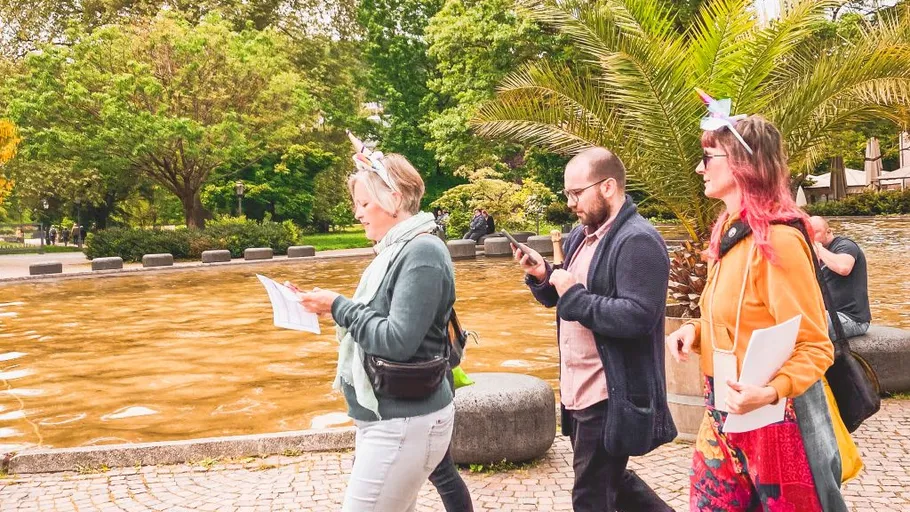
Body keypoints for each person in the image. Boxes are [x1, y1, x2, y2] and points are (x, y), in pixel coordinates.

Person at [665, 96, 846, 511]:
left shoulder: (778, 241)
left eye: (707, 157)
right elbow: (737, 317)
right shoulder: (728, 231)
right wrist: (695, 331)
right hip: (723, 410)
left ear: (741, 164)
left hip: (776, 422)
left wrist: (768, 393)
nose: (699, 168)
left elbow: (817, 346)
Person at [295, 137, 459, 512]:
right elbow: (380, 319)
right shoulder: (396, 251)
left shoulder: (422, 252)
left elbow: (397, 341)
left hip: (404, 421)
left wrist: (338, 305)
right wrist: (327, 305)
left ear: (395, 199)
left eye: (365, 203)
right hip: (388, 417)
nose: (358, 213)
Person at [512, 147, 676, 512]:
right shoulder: (578, 236)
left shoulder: (638, 241)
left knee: (591, 495)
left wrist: (574, 294)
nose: (570, 203)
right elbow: (565, 298)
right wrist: (543, 276)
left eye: (576, 193)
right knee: (611, 479)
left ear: (608, 187)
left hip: (609, 392)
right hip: (577, 387)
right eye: (566, 194)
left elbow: (638, 317)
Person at [809, 216, 871, 339]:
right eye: (808, 233)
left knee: (808, 326)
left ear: (829, 231)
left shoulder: (846, 245)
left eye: (815, 232)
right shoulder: (814, 255)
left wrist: (819, 249)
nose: (811, 237)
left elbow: (843, 267)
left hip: (851, 319)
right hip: (828, 314)